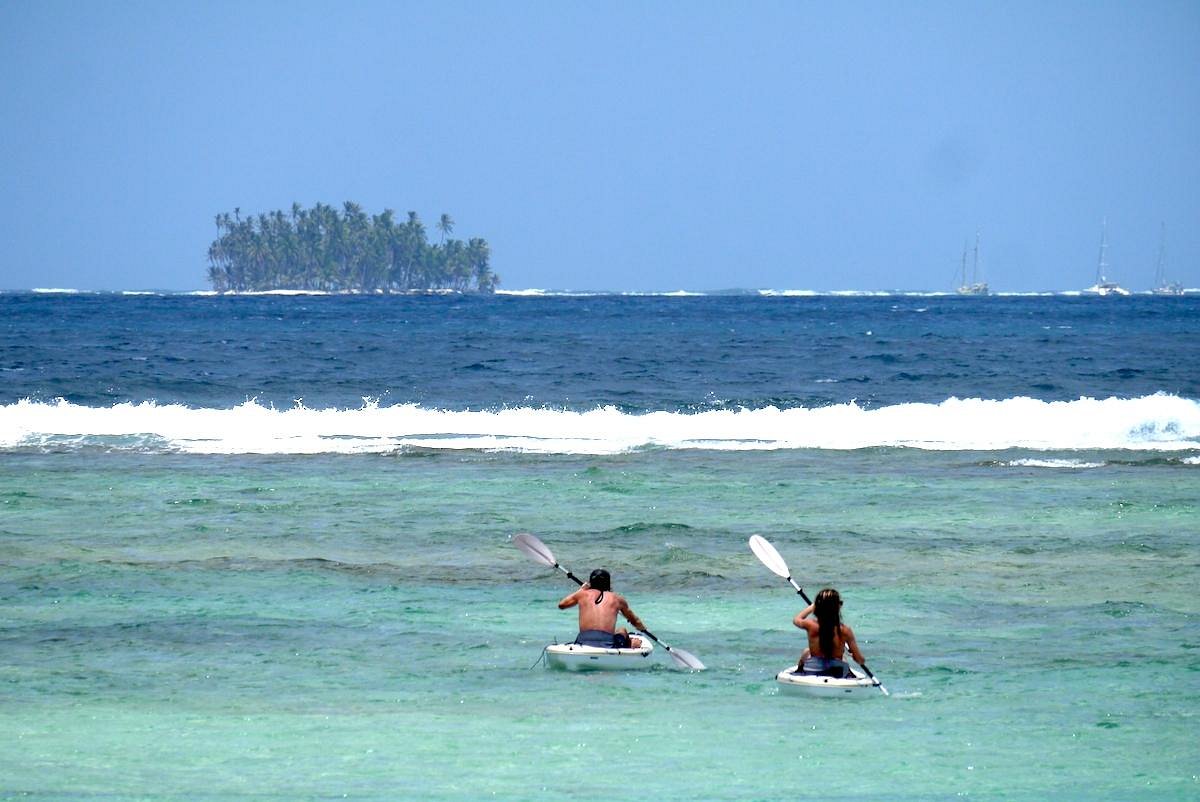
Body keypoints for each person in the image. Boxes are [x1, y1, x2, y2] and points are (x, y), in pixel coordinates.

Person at [558, 568, 645, 649]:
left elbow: (561, 605)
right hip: (607, 645)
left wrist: (581, 590)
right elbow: (635, 621)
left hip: (583, 642)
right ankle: (632, 644)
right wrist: (642, 628)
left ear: (590, 583)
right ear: (608, 583)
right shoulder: (617, 599)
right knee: (622, 630)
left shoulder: (582, 594)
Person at [793, 587, 865, 678]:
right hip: (837, 672)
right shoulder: (845, 630)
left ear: (818, 607)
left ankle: (799, 671)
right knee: (844, 658)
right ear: (837, 607)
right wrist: (856, 657)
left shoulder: (811, 625)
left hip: (812, 669)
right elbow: (859, 659)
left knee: (806, 652)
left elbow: (796, 620)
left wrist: (811, 607)